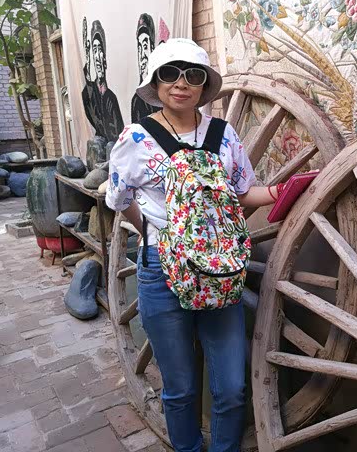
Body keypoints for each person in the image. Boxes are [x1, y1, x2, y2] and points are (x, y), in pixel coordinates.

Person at [106, 38, 280, 452]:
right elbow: (121, 199)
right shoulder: (135, 138)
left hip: (220, 271)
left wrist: (281, 192)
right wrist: (158, 235)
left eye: (193, 75)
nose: (181, 83)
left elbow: (242, 193)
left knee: (232, 388)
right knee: (180, 388)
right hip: (160, 271)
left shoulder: (223, 134)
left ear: (204, 85)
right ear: (156, 83)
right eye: (170, 74)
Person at [81, 18, 124, 143]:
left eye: (100, 50)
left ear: (104, 57)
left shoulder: (111, 97)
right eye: (94, 50)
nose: (97, 56)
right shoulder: (90, 93)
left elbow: (120, 133)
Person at [131, 13, 161, 123]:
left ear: (152, 48)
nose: (142, 54)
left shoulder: (163, 92)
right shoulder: (136, 99)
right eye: (139, 48)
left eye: (144, 46)